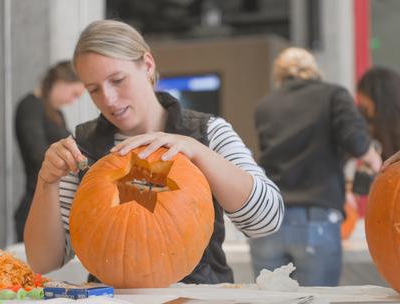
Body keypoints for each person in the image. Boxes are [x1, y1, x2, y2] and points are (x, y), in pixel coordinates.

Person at [23, 19, 284, 284]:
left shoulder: (208, 132)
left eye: (117, 80)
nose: (109, 100)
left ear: (147, 65)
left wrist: (199, 153)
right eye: (94, 90)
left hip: (199, 296)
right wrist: (47, 183)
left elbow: (267, 221)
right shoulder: (82, 147)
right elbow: (44, 261)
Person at [248, 47, 382, 286]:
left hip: (266, 219)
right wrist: (373, 158)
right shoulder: (333, 95)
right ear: (314, 70)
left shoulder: (264, 106)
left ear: (278, 76)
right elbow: (355, 141)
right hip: (315, 220)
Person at [14, 61, 84, 242]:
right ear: (61, 81)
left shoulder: (56, 113)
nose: (73, 100)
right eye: (74, 94)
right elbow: (37, 155)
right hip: (35, 205)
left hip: (55, 207)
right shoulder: (30, 106)